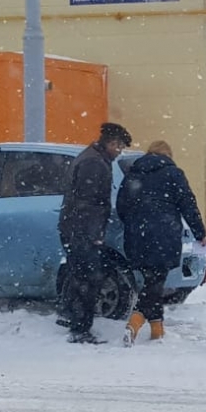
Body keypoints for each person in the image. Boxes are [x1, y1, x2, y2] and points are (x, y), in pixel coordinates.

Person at [116, 139, 206, 346]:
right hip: (164, 234)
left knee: (152, 280)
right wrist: (199, 232)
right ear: (168, 156)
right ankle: (134, 323)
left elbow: (121, 204)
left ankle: (157, 331)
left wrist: (133, 224)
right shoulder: (173, 174)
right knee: (155, 282)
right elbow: (188, 204)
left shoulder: (133, 173)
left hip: (136, 235)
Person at [58, 122, 133, 344]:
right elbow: (88, 203)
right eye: (118, 146)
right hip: (81, 232)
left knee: (80, 276)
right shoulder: (94, 163)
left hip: (77, 230)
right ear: (110, 143)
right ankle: (80, 329)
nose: (119, 151)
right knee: (87, 279)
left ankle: (73, 320)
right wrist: (94, 234)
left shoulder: (94, 158)